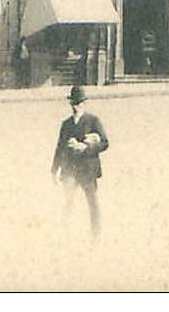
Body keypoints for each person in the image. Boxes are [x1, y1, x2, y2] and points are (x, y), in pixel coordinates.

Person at [51, 85, 109, 236]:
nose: (76, 107)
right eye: (74, 104)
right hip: (70, 169)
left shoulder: (93, 121)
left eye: (79, 103)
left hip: (87, 169)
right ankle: (64, 233)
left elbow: (105, 143)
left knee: (92, 202)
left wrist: (85, 148)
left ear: (84, 103)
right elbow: (59, 147)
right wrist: (53, 169)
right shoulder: (66, 124)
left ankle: (96, 235)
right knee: (67, 202)